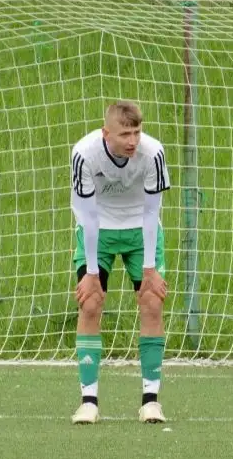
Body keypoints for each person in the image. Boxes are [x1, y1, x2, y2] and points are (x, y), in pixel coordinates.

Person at [69, 101, 170, 424]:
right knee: (90, 304)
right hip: (97, 229)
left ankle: (151, 401)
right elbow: (86, 215)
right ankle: (88, 402)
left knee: (153, 302)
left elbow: (153, 211)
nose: (132, 140)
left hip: (141, 230)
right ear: (106, 133)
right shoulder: (84, 153)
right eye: (125, 133)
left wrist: (150, 269)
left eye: (137, 131)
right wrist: (92, 274)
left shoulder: (153, 153)